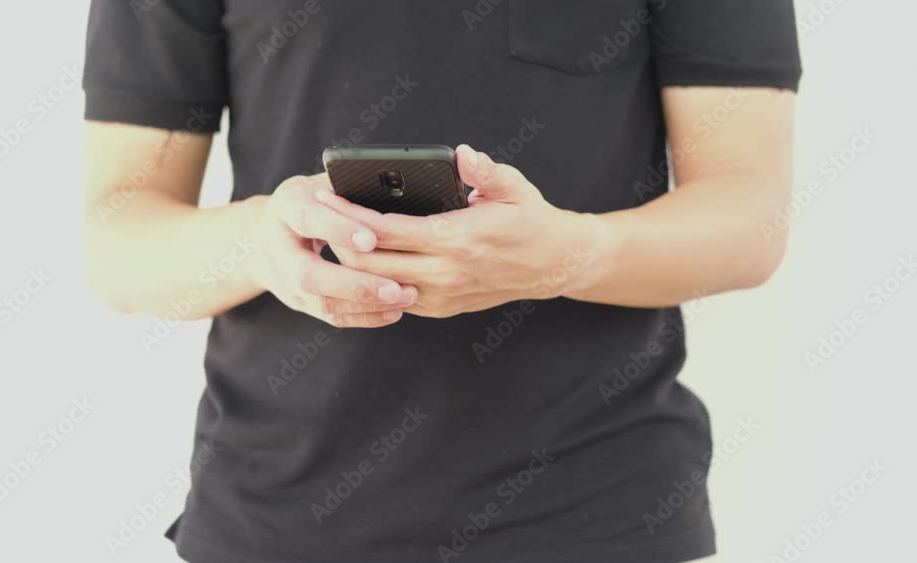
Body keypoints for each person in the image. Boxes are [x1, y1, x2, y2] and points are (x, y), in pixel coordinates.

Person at [82, 1, 800, 562]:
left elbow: (750, 217)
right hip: (274, 519)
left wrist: (567, 255)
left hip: (599, 512)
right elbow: (118, 242)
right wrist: (260, 242)